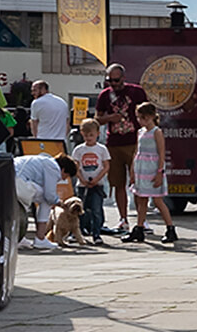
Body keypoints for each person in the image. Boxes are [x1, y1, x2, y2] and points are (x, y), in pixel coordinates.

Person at [94, 63, 153, 234]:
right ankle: (123, 219)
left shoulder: (136, 92)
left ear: (124, 78)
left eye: (116, 80)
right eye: (110, 80)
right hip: (114, 143)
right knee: (118, 184)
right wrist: (110, 117)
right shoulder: (104, 95)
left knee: (138, 183)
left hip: (135, 142)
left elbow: (149, 114)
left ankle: (142, 221)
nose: (113, 83)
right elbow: (97, 118)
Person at [125, 103, 177, 244]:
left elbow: (161, 153)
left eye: (143, 118)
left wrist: (160, 172)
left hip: (152, 169)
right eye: (139, 118)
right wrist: (132, 170)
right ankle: (139, 229)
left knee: (158, 201)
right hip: (141, 169)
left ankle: (170, 228)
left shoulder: (156, 132)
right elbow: (137, 151)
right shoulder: (140, 132)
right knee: (142, 201)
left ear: (151, 117)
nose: (140, 121)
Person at [13, 153, 77, 250]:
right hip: (17, 182)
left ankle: (19, 237)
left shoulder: (43, 160)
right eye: (65, 176)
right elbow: (49, 195)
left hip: (8, 177)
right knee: (46, 199)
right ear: (63, 169)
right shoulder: (54, 168)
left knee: (23, 205)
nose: (62, 179)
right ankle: (40, 238)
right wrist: (59, 202)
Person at [70, 119, 112, 244]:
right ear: (82, 134)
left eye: (91, 135)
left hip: (97, 185)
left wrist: (97, 179)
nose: (89, 138)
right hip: (82, 185)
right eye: (86, 135)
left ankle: (96, 233)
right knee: (80, 210)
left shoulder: (102, 149)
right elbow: (76, 166)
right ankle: (78, 232)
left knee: (96, 210)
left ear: (98, 134)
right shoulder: (78, 150)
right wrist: (81, 179)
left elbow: (106, 166)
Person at [28, 80, 70, 153]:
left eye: (35, 90)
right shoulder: (62, 102)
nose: (32, 93)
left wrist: (36, 139)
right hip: (60, 143)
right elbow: (67, 123)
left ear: (43, 89)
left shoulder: (36, 103)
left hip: (44, 142)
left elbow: (34, 124)